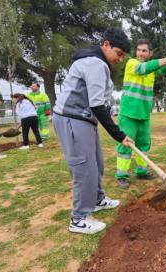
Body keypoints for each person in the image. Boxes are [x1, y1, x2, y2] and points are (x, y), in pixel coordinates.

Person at [53, 27, 133, 234]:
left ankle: (97, 199)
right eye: (119, 53)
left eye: (123, 56)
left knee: (96, 162)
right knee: (84, 167)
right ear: (106, 45)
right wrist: (119, 135)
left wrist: (119, 133)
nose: (120, 59)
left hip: (85, 119)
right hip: (72, 118)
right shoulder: (95, 63)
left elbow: (101, 104)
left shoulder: (99, 63)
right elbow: (97, 105)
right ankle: (78, 218)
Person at [115, 35, 166, 189]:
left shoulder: (151, 69)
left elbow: (163, 67)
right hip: (128, 114)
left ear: (150, 53)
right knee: (126, 146)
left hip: (144, 115)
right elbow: (144, 68)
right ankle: (122, 175)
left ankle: (142, 171)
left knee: (144, 145)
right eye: (139, 50)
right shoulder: (132, 63)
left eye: (144, 51)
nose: (140, 53)